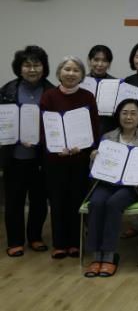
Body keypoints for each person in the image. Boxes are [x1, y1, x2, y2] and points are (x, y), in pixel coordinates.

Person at [83, 99, 138, 277]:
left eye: (133, 113)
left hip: (133, 187)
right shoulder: (108, 137)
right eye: (124, 113)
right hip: (107, 183)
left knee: (114, 203)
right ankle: (96, 256)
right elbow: (95, 169)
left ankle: (109, 255)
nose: (128, 117)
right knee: (96, 203)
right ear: (118, 116)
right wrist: (93, 159)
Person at [39, 56, 99, 259]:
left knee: (76, 200)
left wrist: (85, 147)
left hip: (79, 158)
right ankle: (59, 244)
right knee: (57, 201)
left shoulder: (87, 97)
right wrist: (55, 148)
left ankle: (75, 242)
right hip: (55, 160)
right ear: (59, 73)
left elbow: (94, 127)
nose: (71, 73)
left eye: (76, 70)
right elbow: (44, 128)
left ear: (82, 75)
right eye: (67, 69)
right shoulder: (49, 96)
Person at [1, 46, 53, 257]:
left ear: (44, 67)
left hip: (41, 157)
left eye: (37, 65)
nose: (32, 69)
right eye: (27, 65)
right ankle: (15, 241)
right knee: (14, 200)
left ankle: (35, 237)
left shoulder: (51, 91)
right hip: (14, 156)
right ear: (19, 68)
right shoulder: (7, 91)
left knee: (39, 200)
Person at [86, 45, 118, 134]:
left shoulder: (117, 84)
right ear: (89, 61)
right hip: (85, 129)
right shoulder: (81, 82)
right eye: (96, 60)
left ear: (109, 63)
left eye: (104, 61)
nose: (100, 64)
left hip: (109, 131)